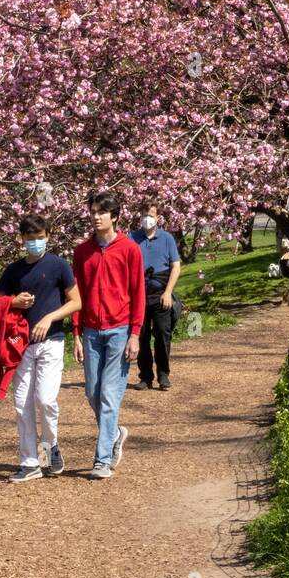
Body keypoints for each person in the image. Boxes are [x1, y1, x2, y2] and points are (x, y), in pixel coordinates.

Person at [0, 213, 81, 483]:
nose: (36, 243)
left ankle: (50, 446)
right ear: (22, 239)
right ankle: (29, 461)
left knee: (45, 399)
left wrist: (49, 317)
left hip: (51, 342)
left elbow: (76, 301)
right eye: (31, 239)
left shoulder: (59, 266)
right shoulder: (13, 270)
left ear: (48, 237)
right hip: (20, 346)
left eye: (41, 238)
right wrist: (13, 301)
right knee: (22, 405)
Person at [72, 191, 145, 480]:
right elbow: (75, 294)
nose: (96, 216)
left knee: (109, 396)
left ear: (115, 216)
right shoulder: (82, 252)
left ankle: (102, 460)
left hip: (120, 329)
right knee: (92, 392)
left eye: (102, 212)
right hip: (91, 330)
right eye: (93, 212)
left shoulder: (129, 249)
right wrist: (75, 333)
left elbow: (138, 292)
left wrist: (135, 333)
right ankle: (114, 432)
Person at [130, 204, 181, 390]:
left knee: (162, 335)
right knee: (141, 336)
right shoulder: (132, 238)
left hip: (161, 296)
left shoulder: (167, 238)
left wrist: (168, 292)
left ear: (158, 217)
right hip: (139, 296)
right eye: (144, 215)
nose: (147, 219)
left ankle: (163, 374)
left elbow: (175, 266)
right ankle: (145, 376)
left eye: (150, 215)